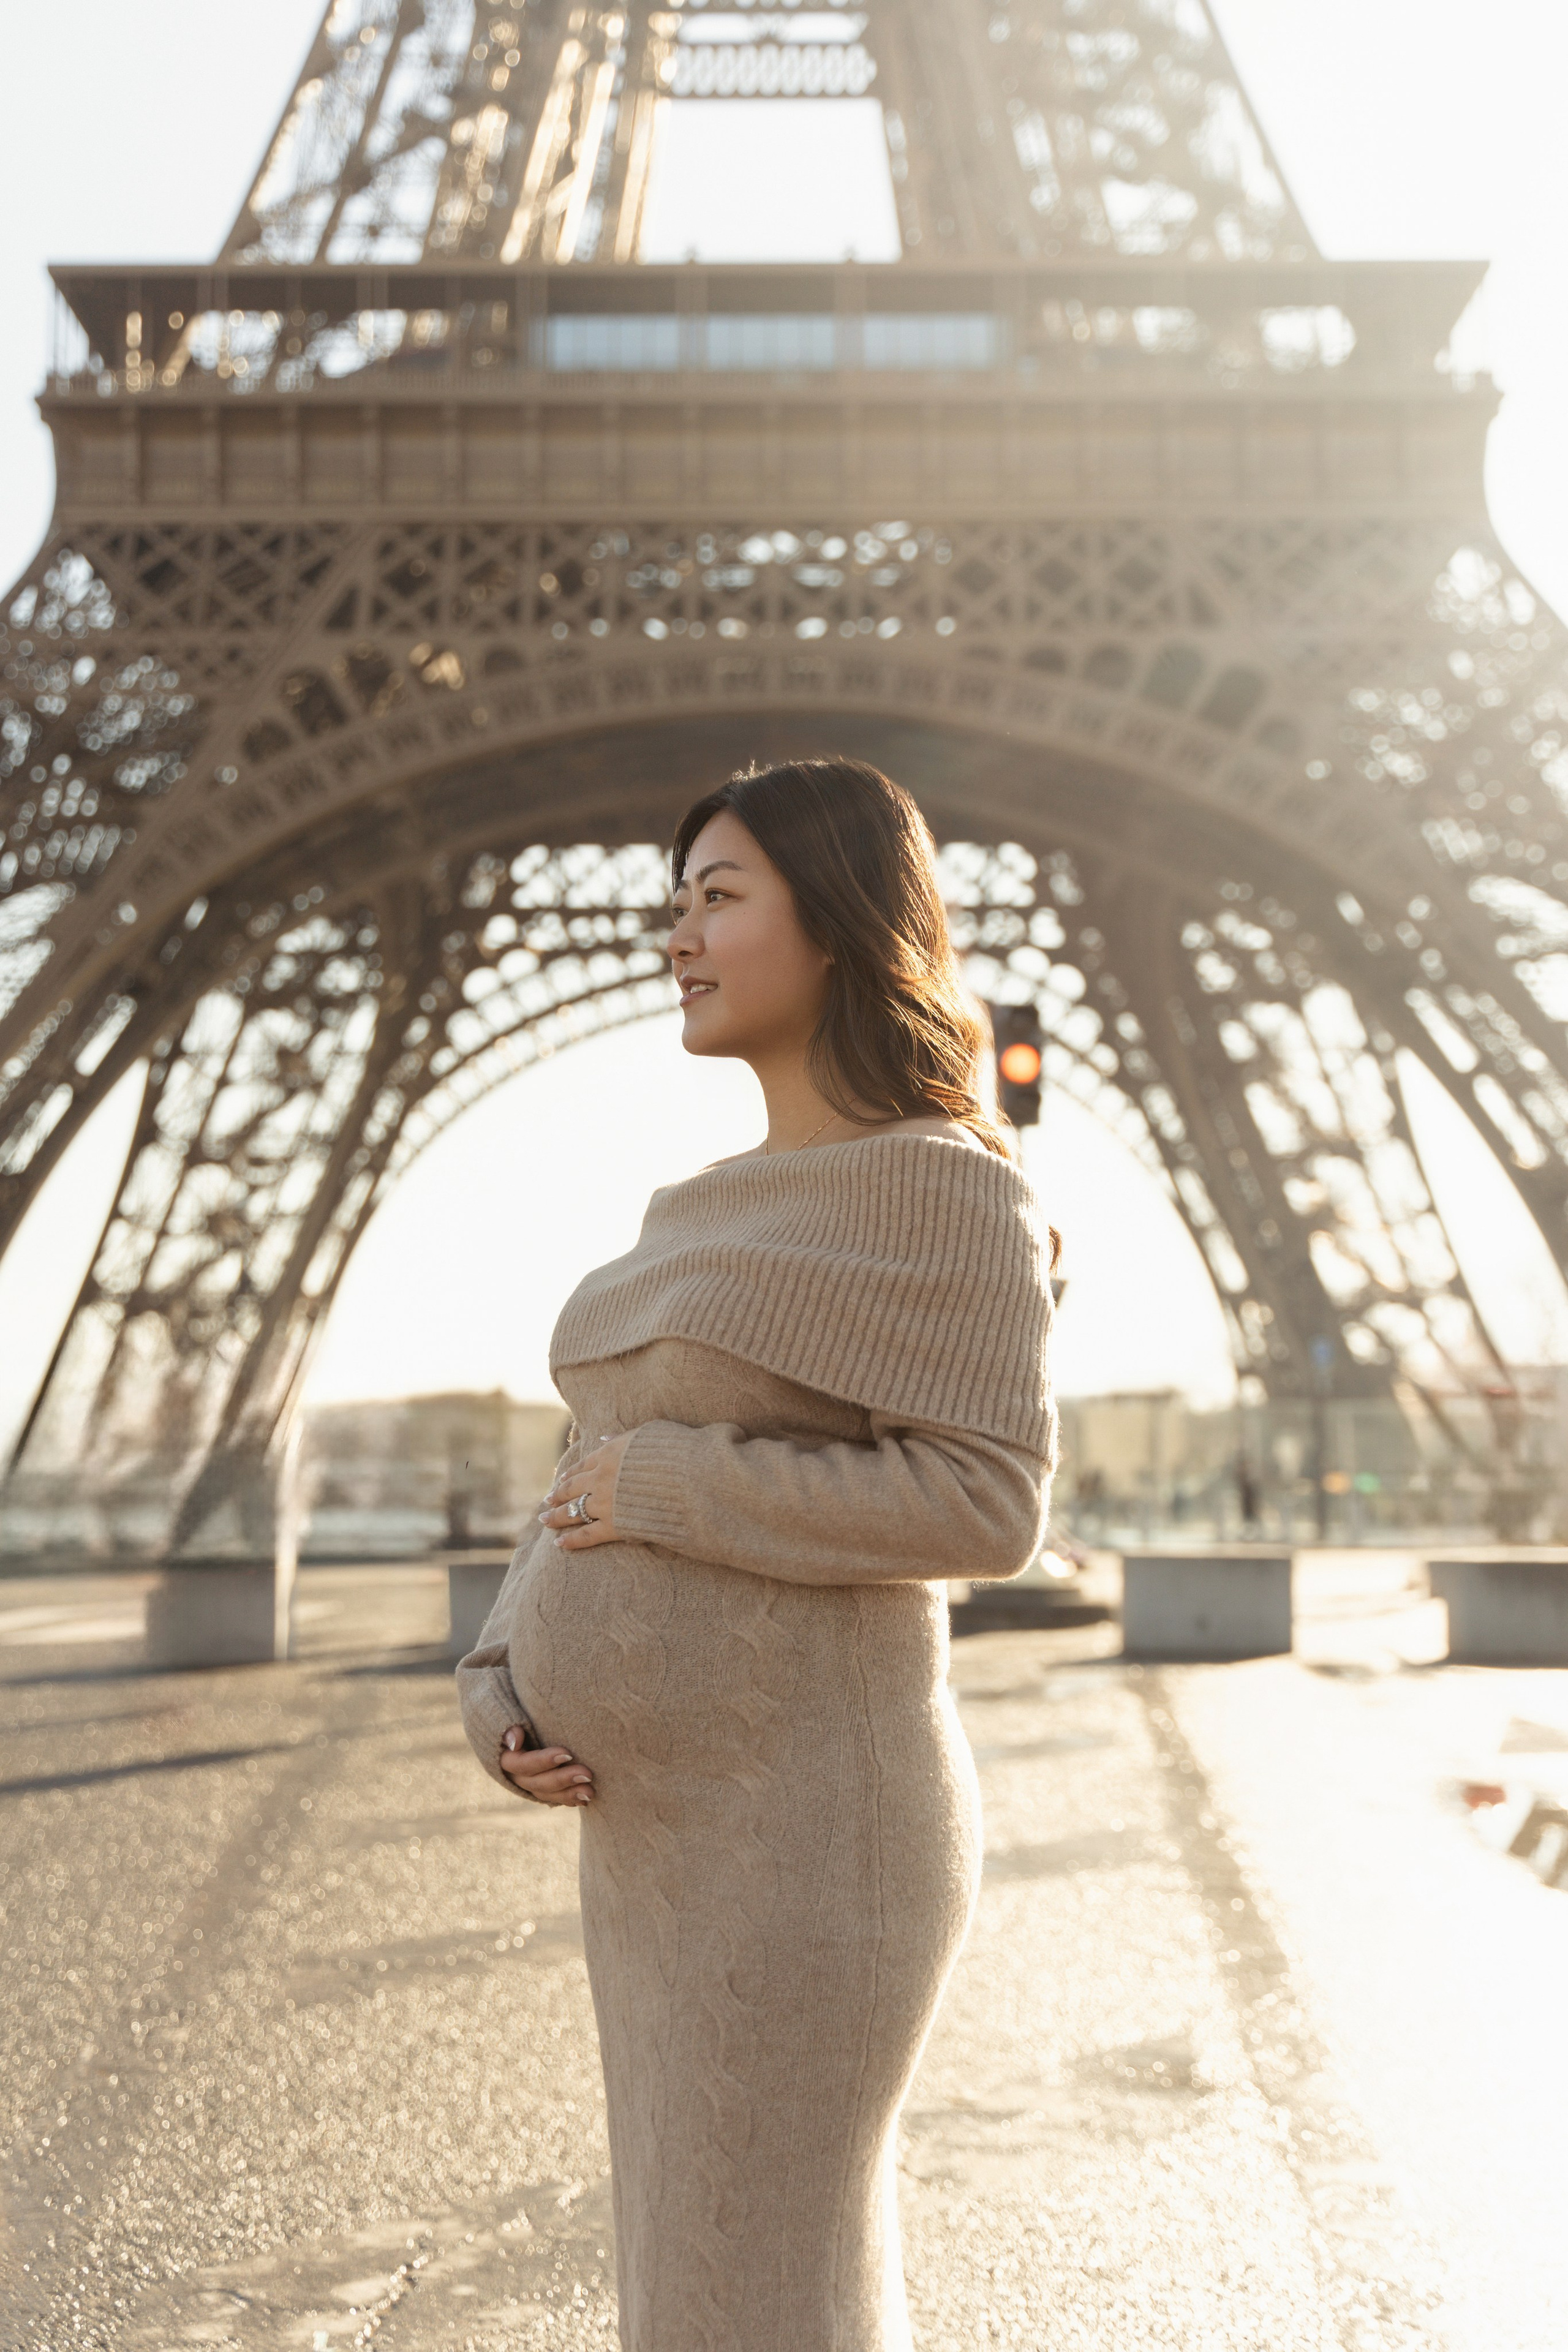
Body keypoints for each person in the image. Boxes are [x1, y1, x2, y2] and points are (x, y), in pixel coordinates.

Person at [457, 756, 1057, 2352]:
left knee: (751, 2285)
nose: (677, 935)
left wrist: (675, 1485)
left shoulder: (949, 1189)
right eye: (676, 902)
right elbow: (582, 1478)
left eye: (719, 898)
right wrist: (496, 1676)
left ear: (843, 921)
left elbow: (986, 1506)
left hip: (811, 1839)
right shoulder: (695, 1207)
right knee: (696, 2274)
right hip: (649, 1844)